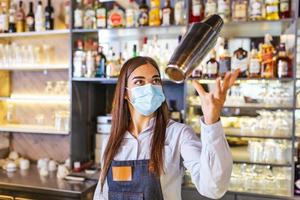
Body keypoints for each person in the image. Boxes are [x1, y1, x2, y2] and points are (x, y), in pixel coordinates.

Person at [93, 56, 239, 200]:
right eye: (139, 82)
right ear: (125, 93)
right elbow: (102, 195)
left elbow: (213, 188)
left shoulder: (179, 134)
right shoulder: (111, 142)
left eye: (155, 81)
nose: (149, 87)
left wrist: (212, 121)